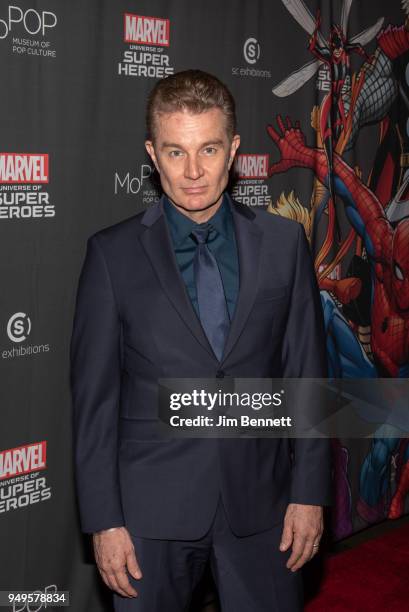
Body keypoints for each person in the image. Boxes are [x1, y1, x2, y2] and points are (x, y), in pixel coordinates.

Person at [70, 69, 331, 612]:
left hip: (264, 507)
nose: (193, 172)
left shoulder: (283, 245)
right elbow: (94, 404)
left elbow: (306, 376)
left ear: (233, 149)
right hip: (148, 515)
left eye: (208, 149)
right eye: (174, 152)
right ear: (152, 153)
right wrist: (104, 521)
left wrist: (309, 493)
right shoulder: (112, 256)